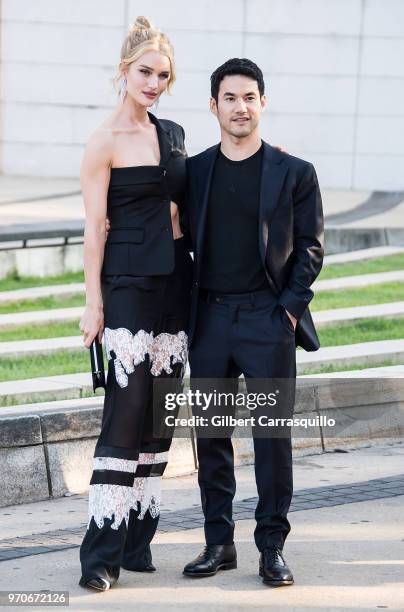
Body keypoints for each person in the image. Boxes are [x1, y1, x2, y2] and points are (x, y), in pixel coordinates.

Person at [182, 58, 324, 587]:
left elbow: (310, 248)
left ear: (262, 102)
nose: (239, 108)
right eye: (229, 98)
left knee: (271, 437)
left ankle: (272, 547)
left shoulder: (295, 172)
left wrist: (287, 308)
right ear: (213, 106)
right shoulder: (194, 171)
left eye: (249, 97)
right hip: (211, 320)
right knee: (212, 436)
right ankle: (218, 543)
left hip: (267, 320)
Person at [78, 16, 192, 591]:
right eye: (145, 72)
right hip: (125, 286)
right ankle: (100, 554)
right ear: (124, 72)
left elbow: (188, 206)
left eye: (163, 75)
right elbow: (93, 230)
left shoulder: (172, 134)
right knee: (125, 414)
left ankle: (137, 541)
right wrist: (92, 304)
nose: (153, 83)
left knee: (160, 417)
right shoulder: (104, 141)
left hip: (175, 289)